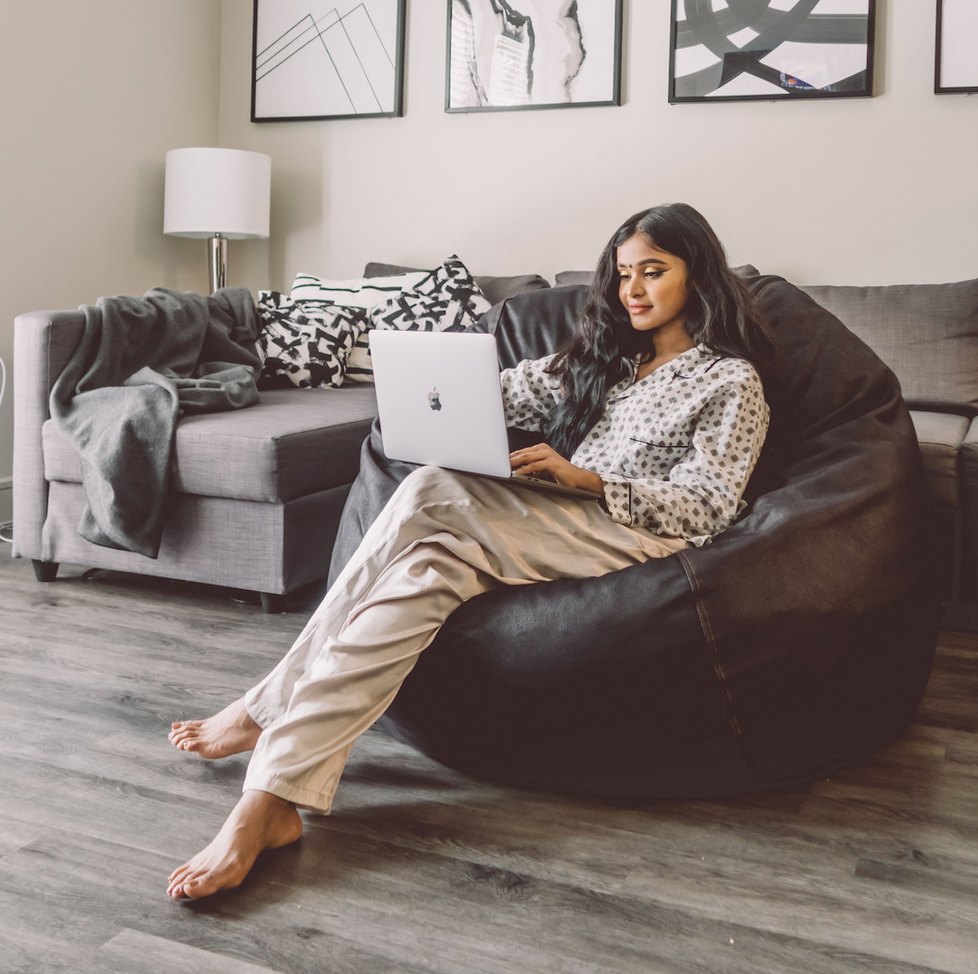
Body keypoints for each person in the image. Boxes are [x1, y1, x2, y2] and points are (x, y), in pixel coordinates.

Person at [165, 203, 772, 899]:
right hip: (561, 520)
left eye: (654, 272)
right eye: (624, 274)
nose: (631, 290)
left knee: (430, 489)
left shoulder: (730, 380)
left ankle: (264, 705)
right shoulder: (606, 360)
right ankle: (270, 802)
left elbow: (712, 504)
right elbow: (503, 388)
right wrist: (437, 391)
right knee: (423, 573)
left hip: (637, 532)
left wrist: (590, 479)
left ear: (699, 278)